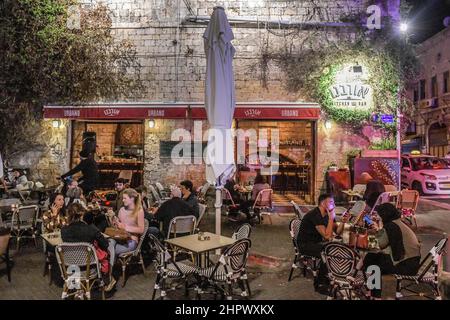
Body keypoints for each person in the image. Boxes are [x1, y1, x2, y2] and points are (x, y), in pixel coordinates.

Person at [363, 203, 421, 299]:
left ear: (385, 215)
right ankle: (373, 292)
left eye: (379, 215)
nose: (377, 217)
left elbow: (377, 244)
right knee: (373, 258)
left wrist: (371, 235)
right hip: (411, 262)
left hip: (406, 265)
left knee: (373, 264)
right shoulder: (398, 223)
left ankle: (375, 295)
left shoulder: (391, 226)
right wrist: (379, 230)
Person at [297, 193, 350, 292]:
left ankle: (328, 276)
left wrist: (343, 221)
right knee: (328, 252)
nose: (333, 205)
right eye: (330, 202)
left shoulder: (328, 214)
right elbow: (327, 236)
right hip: (305, 244)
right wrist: (331, 218)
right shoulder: (315, 215)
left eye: (333, 203)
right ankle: (320, 283)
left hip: (317, 243)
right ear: (322, 203)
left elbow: (337, 232)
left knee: (334, 248)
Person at [61, 203, 114, 288]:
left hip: (71, 267)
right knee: (107, 249)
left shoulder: (64, 230)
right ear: (82, 214)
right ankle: (106, 279)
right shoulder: (91, 229)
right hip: (89, 268)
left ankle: (77, 289)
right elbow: (105, 244)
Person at [109, 188, 145, 267]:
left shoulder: (139, 211)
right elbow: (118, 227)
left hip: (131, 240)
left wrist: (125, 227)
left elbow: (141, 230)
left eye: (125, 198)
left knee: (110, 250)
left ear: (132, 198)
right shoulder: (122, 210)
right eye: (122, 198)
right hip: (119, 237)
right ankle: (110, 273)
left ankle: (110, 273)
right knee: (108, 244)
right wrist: (113, 220)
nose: (123, 200)